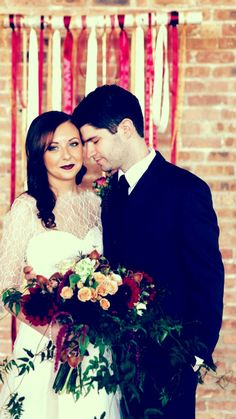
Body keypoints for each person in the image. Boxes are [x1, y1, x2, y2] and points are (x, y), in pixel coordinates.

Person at [71, 84, 225, 419]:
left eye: (94, 140)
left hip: (172, 362)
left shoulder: (186, 190)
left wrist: (195, 354)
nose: (89, 153)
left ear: (125, 129)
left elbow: (208, 279)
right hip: (118, 362)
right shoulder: (110, 196)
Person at [0, 111, 120, 419]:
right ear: (39, 155)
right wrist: (53, 330)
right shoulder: (27, 208)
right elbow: (6, 288)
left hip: (94, 349)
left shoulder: (98, 204)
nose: (66, 155)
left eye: (74, 144)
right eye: (53, 147)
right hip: (44, 344)